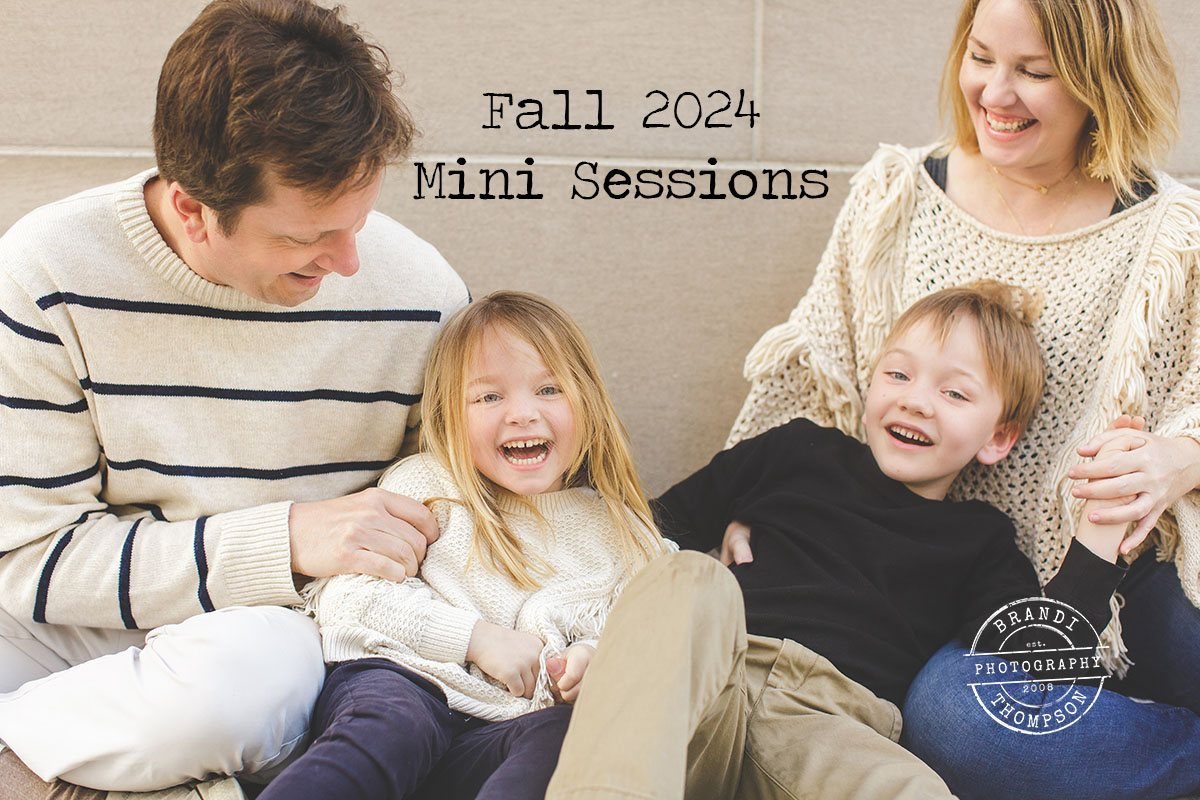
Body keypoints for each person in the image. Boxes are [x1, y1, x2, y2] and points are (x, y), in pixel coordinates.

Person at [720, 0, 1200, 797]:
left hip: (1129, 587)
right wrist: (751, 505)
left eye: (1034, 72)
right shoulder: (898, 196)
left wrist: (1178, 458)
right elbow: (815, 376)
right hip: (959, 608)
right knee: (952, 717)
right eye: (981, 58)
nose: (995, 94)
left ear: (1098, 80)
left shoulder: (1171, 231)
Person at [0, 0, 468, 795]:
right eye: (305, 238)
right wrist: (282, 539)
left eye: (359, 222)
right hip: (78, 629)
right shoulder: (45, 275)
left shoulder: (422, 294)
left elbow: (466, 521)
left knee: (253, 683)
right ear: (192, 208)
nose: (349, 263)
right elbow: (29, 561)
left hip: (267, 641)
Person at [545, 282, 1166, 800]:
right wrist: (617, 637)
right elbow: (646, 527)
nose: (916, 401)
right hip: (708, 683)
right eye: (898, 374)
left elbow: (1034, 660)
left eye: (953, 393)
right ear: (870, 386)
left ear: (998, 438)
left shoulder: (980, 539)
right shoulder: (795, 451)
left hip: (833, 727)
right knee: (687, 575)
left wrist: (1098, 536)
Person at [256, 290, 674, 800]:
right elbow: (350, 600)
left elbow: (653, 633)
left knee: (565, 738)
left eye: (548, 389)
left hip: (503, 732)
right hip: (408, 682)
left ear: (587, 399)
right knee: (390, 728)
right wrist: (475, 639)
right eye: (489, 397)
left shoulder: (623, 532)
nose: (522, 414)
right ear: (450, 414)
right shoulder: (429, 488)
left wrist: (595, 659)